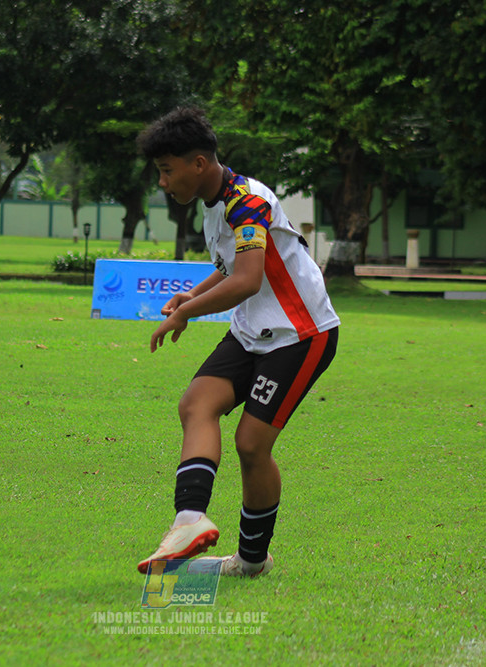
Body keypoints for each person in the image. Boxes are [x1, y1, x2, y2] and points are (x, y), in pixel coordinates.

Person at [136, 107, 340, 577]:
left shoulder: (247, 200)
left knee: (251, 444)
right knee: (196, 404)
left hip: (300, 334)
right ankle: (188, 521)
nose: (163, 182)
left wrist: (186, 311)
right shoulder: (215, 201)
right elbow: (234, 263)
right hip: (253, 332)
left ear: (199, 165)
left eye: (168, 170)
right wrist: (196, 292)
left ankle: (252, 560)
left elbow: (248, 279)